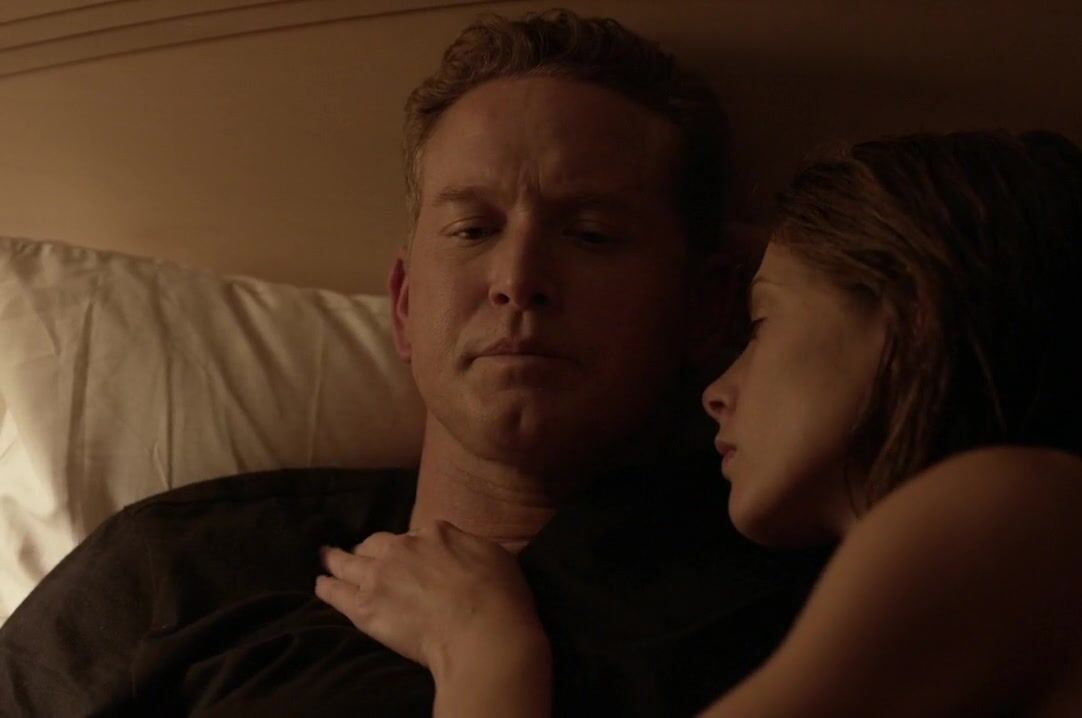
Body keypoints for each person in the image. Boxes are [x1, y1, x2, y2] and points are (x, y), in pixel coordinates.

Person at [0, 11, 828, 717]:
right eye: (472, 230)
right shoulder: (183, 572)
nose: (518, 280)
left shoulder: (798, 608)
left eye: (591, 235)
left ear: (703, 307)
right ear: (403, 305)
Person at [332, 130, 1082, 715]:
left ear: (912, 313)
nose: (716, 388)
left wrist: (483, 652)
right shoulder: (1049, 538)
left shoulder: (1009, 511)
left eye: (760, 323)